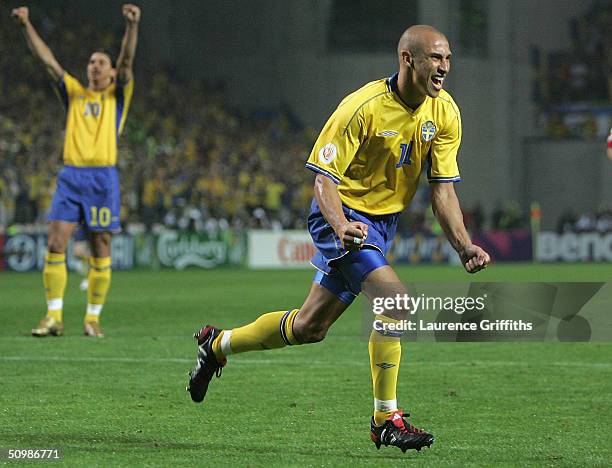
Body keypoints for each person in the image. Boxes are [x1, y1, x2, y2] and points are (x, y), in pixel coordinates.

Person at [186, 25, 491, 453]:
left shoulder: (445, 113)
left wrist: (463, 244)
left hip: (381, 226)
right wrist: (340, 225)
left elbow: (442, 188)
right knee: (396, 303)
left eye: (447, 58)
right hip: (342, 217)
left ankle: (217, 346)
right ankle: (385, 419)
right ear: (408, 60)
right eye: (435, 59)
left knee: (310, 327)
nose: (444, 67)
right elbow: (323, 181)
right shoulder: (361, 108)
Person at [12, 4, 140, 338]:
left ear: (112, 74)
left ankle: (92, 317)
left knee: (100, 247)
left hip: (103, 178)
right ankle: (53, 316)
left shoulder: (118, 96)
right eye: (91, 62)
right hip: (71, 176)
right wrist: (26, 25)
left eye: (101, 62)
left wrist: (131, 27)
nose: (94, 66)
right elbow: (47, 60)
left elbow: (127, 61)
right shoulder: (74, 94)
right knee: (55, 242)